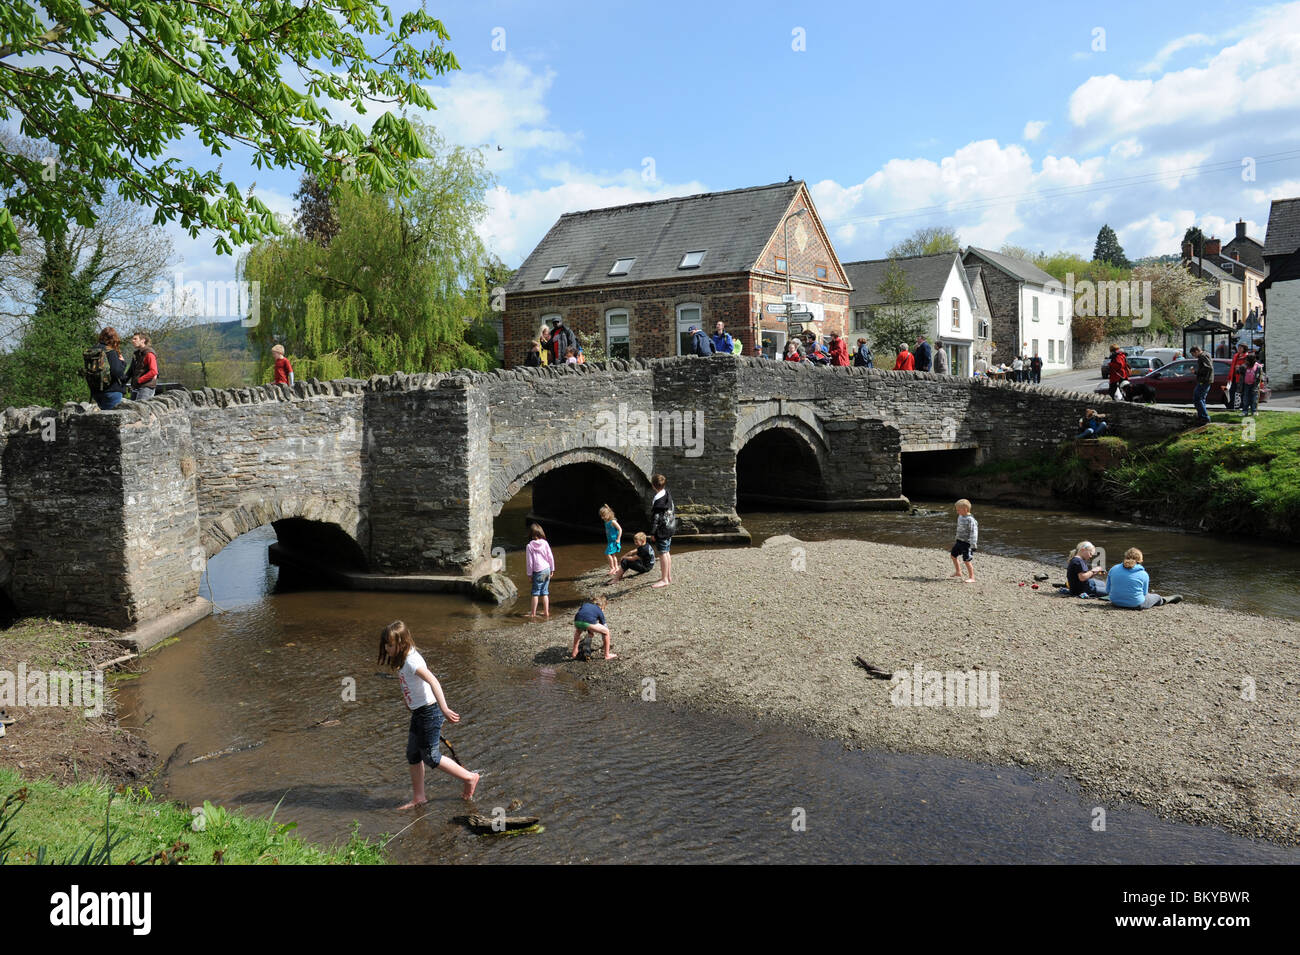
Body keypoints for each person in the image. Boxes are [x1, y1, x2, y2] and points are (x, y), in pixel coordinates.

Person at [377, 620, 480, 807]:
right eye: (386, 644)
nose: (386, 648)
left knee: (431, 756)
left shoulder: (411, 661)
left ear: (402, 644)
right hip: (419, 712)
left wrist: (444, 708)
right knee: (413, 754)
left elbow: (433, 681)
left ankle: (469, 777)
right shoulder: (403, 659)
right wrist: (407, 701)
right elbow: (409, 684)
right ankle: (419, 797)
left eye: (390, 645)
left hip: (430, 712)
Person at [1106, 548, 1182, 609]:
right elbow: (1144, 594)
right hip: (1136, 604)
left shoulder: (1113, 569)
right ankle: (1164, 600)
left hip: (1115, 602)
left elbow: (1107, 590)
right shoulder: (1143, 574)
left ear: (1125, 557)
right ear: (1141, 560)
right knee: (1156, 597)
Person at [84, 327, 130, 409]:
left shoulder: (93, 350)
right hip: (111, 391)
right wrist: (123, 363)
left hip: (95, 391)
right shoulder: (110, 351)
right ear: (114, 338)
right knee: (111, 419)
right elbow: (117, 372)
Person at [571, 594, 616, 660]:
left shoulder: (586, 605)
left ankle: (574, 652)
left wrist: (590, 630)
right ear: (602, 607)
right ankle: (607, 655)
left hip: (577, 620)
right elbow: (604, 625)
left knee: (578, 632)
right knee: (606, 632)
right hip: (588, 622)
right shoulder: (599, 610)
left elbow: (584, 614)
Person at [649, 473, 675, 588]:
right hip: (670, 527)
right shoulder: (667, 494)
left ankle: (664, 579)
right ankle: (668, 576)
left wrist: (653, 533)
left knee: (663, 553)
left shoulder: (658, 501)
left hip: (662, 530)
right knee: (667, 552)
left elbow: (656, 518)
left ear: (653, 486)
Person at [524, 523, 555, 618]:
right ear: (540, 532)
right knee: (545, 592)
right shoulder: (545, 543)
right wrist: (552, 569)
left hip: (538, 571)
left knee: (535, 593)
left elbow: (530, 562)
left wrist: (529, 575)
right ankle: (546, 612)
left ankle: (533, 614)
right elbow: (550, 557)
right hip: (546, 569)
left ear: (530, 534)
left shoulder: (529, 546)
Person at [949, 498, 978, 583]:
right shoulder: (960, 516)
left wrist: (973, 544)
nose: (957, 512)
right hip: (959, 541)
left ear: (965, 509)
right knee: (953, 556)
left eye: (958, 510)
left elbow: (974, 532)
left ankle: (972, 577)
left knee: (966, 560)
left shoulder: (971, 520)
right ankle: (958, 572)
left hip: (967, 543)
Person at [127, 332, 159, 400]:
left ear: (143, 340)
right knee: (132, 409)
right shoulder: (137, 354)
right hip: (136, 387)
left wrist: (139, 380)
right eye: (133, 339)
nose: (132, 341)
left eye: (135, 339)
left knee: (141, 410)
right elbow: (131, 371)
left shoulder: (149, 353)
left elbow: (153, 371)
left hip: (146, 388)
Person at [1190, 345, 1213, 426]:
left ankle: (1204, 417)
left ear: (1196, 351)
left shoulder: (1203, 356)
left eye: (1193, 354)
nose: (1194, 356)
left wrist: (1196, 372)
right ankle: (1202, 417)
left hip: (1203, 381)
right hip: (1206, 380)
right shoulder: (1206, 354)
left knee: (1197, 398)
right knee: (1201, 399)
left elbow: (1208, 368)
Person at [599, 504, 622, 574]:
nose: (603, 518)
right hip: (610, 541)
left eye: (604, 516)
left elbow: (620, 529)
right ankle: (616, 567)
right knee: (613, 555)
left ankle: (612, 568)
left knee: (607, 553)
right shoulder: (606, 522)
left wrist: (618, 539)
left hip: (614, 541)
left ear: (609, 514)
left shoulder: (613, 522)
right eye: (601, 516)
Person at [1225, 343, 1248, 408]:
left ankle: (1242, 406)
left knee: (1241, 393)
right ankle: (1231, 406)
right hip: (1233, 377)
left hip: (1241, 378)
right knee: (1231, 392)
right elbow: (1232, 367)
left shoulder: (1246, 356)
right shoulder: (1236, 355)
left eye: (1241, 348)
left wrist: (1240, 367)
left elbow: (1247, 367)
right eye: (1238, 348)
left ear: (1244, 349)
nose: (1239, 349)